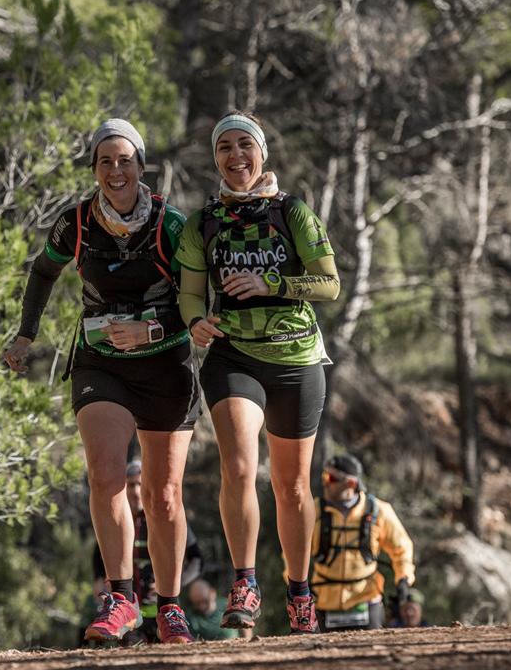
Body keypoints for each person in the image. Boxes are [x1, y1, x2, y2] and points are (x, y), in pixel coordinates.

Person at [6, 118, 200, 645]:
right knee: (105, 475)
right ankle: (121, 599)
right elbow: (43, 271)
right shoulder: (76, 224)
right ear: (94, 169)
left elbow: (199, 305)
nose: (116, 170)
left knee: (162, 496)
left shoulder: (173, 226)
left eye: (125, 160)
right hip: (101, 363)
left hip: (166, 365)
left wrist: (152, 327)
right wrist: (26, 336)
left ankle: (170, 606)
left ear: (142, 165)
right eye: (105, 161)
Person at [176, 110, 341, 635]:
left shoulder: (293, 213)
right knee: (241, 468)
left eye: (245, 145)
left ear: (262, 154)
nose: (235, 156)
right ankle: (245, 582)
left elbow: (329, 285)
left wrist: (272, 282)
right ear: (216, 159)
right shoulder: (204, 223)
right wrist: (195, 321)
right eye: (224, 147)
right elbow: (187, 293)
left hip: (296, 358)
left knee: (292, 486)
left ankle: (299, 592)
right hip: (233, 356)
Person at [88, 458, 205, 644]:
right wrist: (99, 580)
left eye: (140, 484)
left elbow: (197, 560)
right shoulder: (115, 522)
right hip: (129, 617)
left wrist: (176, 582)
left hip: (161, 612)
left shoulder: (165, 520)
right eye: (130, 485)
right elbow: (99, 555)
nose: (135, 492)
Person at [311, 453, 417, 632]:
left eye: (331, 478)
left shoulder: (379, 511)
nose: (325, 482)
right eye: (324, 476)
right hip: (323, 600)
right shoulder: (314, 511)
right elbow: (293, 552)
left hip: (366, 601)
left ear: (351, 484)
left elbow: (401, 548)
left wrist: (403, 580)